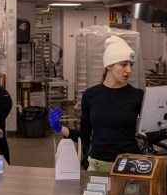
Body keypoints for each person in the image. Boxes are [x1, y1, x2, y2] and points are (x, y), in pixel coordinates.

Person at [49, 35, 145, 173]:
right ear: (109, 65)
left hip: (130, 164)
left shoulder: (137, 95)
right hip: (97, 165)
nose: (129, 70)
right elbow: (84, 137)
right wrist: (59, 128)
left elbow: (149, 132)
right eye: (123, 64)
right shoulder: (91, 95)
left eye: (131, 65)